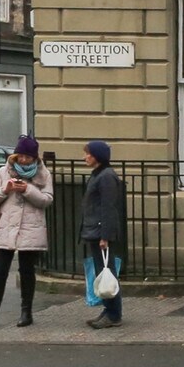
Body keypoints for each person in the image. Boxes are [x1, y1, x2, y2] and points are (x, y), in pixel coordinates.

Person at [0, 136, 52, 330]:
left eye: (28, 157)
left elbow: (47, 200)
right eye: (20, 156)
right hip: (6, 228)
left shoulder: (43, 174)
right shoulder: (3, 171)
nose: (23, 160)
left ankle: (26, 312)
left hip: (31, 229)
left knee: (27, 272)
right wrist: (5, 190)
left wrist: (28, 190)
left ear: (34, 157)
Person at [79, 139, 126, 329]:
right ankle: (108, 310)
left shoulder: (106, 176)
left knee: (107, 273)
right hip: (95, 229)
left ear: (98, 156)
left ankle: (114, 314)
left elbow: (109, 208)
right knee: (101, 271)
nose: (85, 157)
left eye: (88, 153)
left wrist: (105, 236)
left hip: (100, 231)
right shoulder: (99, 174)